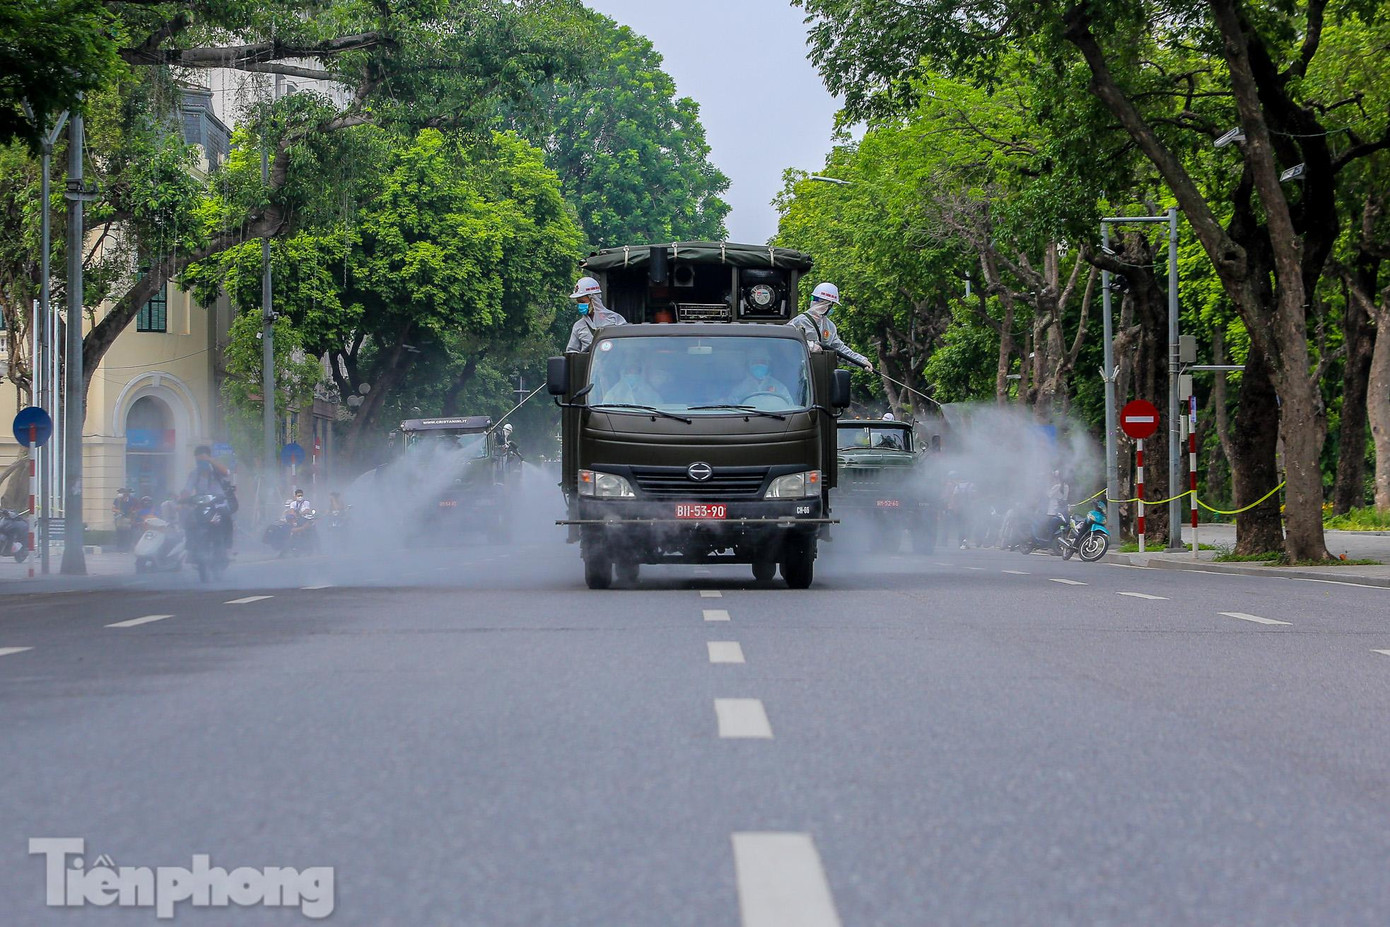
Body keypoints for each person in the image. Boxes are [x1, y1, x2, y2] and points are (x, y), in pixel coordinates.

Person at [787, 282, 873, 372]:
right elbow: (785, 344)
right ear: (828, 304)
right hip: (797, 372)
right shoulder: (798, 322)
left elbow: (839, 349)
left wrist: (861, 361)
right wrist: (809, 346)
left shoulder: (829, 326)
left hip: (820, 373)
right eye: (832, 305)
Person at [565, 276, 626, 352]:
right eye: (578, 302)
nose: (580, 305)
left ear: (593, 299)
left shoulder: (616, 320)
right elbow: (571, 353)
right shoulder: (578, 326)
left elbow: (626, 347)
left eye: (582, 302)